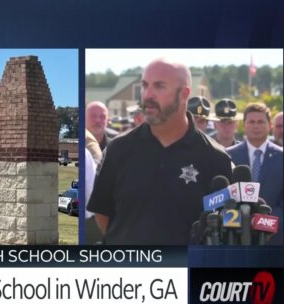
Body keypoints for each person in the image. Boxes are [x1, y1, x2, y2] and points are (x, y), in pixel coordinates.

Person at [87, 58, 233, 245]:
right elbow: (102, 213)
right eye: (145, 86)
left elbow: (222, 225)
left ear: (183, 94)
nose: (148, 95)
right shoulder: (119, 149)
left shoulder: (215, 158)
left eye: (159, 87)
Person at [227, 103, 283, 244]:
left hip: (273, 237)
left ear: (270, 125)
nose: (255, 126)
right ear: (243, 125)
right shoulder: (228, 155)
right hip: (235, 236)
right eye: (251, 122)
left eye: (260, 122)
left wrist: (262, 222)